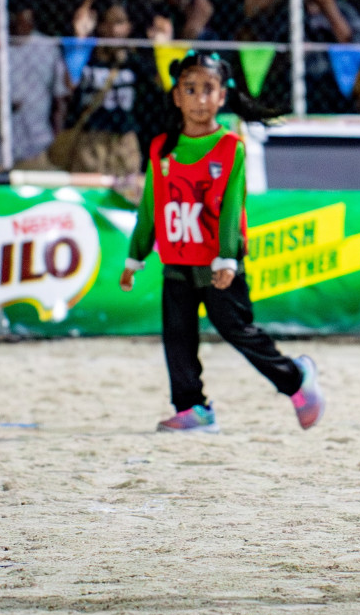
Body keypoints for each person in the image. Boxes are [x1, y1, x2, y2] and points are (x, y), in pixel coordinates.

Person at [120, 50, 325, 434]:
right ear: (177, 96)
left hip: (218, 264)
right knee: (177, 337)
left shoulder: (231, 147)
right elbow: (151, 205)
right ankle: (192, 408)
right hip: (177, 261)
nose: (199, 98)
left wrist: (227, 258)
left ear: (222, 96)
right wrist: (135, 256)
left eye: (208, 90)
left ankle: (295, 379)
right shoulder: (162, 148)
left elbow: (232, 208)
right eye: (190, 89)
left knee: (236, 329)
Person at [62, 0, 164, 176]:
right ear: (99, 26)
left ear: (128, 27)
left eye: (119, 23)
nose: (113, 30)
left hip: (124, 140)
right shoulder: (87, 55)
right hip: (90, 139)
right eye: (107, 23)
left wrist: (161, 48)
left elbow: (162, 87)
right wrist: (80, 38)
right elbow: (71, 84)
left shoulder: (136, 60)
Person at [0, 6, 69, 172]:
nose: (20, 26)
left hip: (37, 143)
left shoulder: (48, 48)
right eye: (14, 20)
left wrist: (57, 138)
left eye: (26, 21)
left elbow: (60, 97)